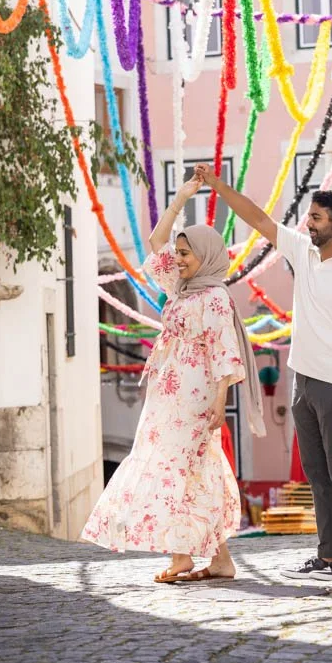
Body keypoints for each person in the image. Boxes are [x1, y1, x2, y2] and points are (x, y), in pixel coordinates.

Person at [195, 165, 332, 582]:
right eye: (308, 217)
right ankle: (329, 554)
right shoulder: (303, 251)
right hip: (303, 381)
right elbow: (258, 218)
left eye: (315, 218)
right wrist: (216, 184)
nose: (307, 223)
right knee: (317, 474)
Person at [81, 177, 265, 584]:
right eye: (179, 253)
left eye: (186, 254)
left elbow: (224, 351)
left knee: (185, 468)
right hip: (168, 392)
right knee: (184, 469)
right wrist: (182, 197)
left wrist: (220, 401)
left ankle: (189, 556)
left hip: (196, 397)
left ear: (207, 255)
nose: (178, 259)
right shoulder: (181, 288)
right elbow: (154, 242)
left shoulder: (214, 297)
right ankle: (213, 559)